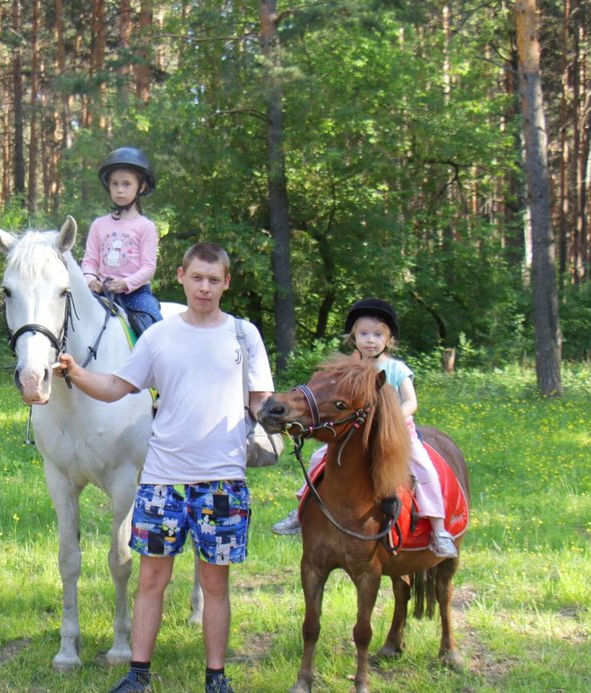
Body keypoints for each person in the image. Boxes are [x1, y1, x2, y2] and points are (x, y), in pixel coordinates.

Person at [55, 243, 273, 693]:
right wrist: (75, 373)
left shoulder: (243, 335)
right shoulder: (158, 337)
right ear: (181, 277)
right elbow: (117, 386)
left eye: (214, 280)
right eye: (197, 278)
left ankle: (216, 678)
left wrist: (290, 416)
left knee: (215, 583)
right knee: (152, 578)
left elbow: (261, 404)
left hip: (222, 482)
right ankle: (138, 676)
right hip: (162, 482)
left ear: (226, 283)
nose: (205, 288)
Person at [270, 298, 457, 559]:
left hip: (396, 432)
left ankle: (438, 528)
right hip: (356, 433)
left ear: (389, 338)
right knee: (317, 458)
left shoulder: (395, 369)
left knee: (424, 467)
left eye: (378, 334)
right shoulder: (349, 370)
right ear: (353, 337)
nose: (371, 340)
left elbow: (411, 402)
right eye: (364, 333)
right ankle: (301, 509)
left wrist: (392, 418)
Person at [80, 146, 163, 336]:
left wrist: (125, 283)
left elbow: (148, 268)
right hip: (101, 292)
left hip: (135, 294)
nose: (119, 190)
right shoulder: (99, 225)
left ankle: (157, 364)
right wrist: (90, 279)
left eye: (126, 184)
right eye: (114, 184)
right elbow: (90, 261)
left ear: (141, 187)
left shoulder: (146, 226)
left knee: (154, 327)